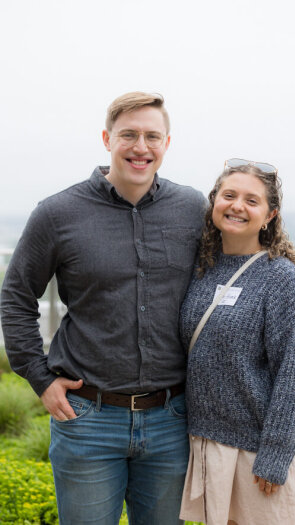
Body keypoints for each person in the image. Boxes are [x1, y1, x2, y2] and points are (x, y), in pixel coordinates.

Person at [0, 92, 207, 525]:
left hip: (172, 418)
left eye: (152, 136)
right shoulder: (57, 214)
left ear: (167, 143)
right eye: (128, 134)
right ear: (106, 139)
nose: (140, 147)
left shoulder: (193, 209)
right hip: (88, 418)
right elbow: (16, 297)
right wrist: (39, 378)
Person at [179, 159, 295, 525]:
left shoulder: (281, 279)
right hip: (207, 443)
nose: (237, 206)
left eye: (252, 200)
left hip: (258, 450)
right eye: (229, 195)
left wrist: (276, 454)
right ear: (214, 201)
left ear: (270, 215)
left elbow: (293, 376)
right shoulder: (201, 267)